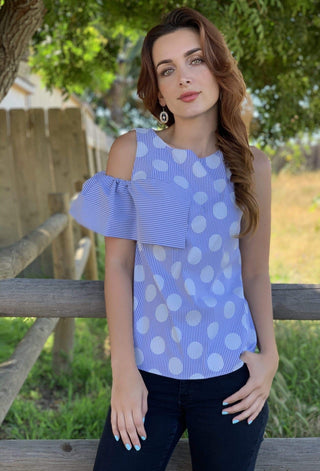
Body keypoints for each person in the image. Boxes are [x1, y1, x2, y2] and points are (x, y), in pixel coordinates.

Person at [69, 7, 279, 471]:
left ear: (218, 67)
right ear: (158, 87)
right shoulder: (132, 152)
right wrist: (123, 370)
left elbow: (255, 272)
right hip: (148, 376)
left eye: (195, 60)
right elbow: (119, 268)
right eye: (168, 69)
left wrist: (270, 358)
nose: (184, 77)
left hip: (231, 376)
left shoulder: (253, 166)